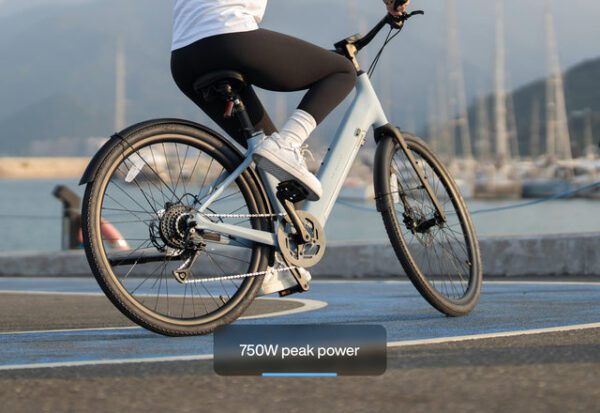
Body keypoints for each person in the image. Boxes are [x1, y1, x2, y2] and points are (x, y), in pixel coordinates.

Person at [171, 0, 410, 202]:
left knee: (275, 170)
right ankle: (289, 143)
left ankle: (193, 221)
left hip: (183, 58)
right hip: (228, 37)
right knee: (341, 72)